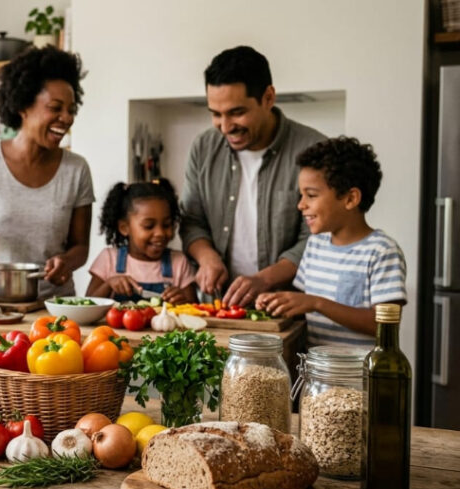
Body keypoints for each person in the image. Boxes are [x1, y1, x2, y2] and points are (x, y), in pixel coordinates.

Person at [0, 46, 93, 298]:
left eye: (71, 110)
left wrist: (65, 261)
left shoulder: (76, 169)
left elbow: (80, 247)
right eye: (55, 108)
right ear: (23, 107)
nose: (66, 118)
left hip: (53, 309)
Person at [180, 45, 326, 308]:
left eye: (237, 112)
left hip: (290, 311)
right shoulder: (203, 148)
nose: (225, 127)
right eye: (215, 114)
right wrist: (207, 257)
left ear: (268, 98)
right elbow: (192, 220)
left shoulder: (314, 150)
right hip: (218, 307)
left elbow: (318, 238)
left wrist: (264, 279)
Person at [255, 137, 406, 347]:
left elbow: (383, 326)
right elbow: (302, 304)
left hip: (360, 377)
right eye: (301, 195)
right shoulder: (315, 244)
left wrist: (317, 303)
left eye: (311, 195)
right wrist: (278, 302)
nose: (301, 205)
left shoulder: (382, 251)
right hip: (318, 373)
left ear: (350, 199)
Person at [86, 179, 196, 304]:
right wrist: (108, 285)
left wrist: (182, 300)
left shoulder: (179, 262)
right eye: (149, 226)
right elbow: (89, 303)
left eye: (166, 225)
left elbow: (195, 308)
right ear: (124, 228)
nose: (160, 233)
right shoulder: (109, 259)